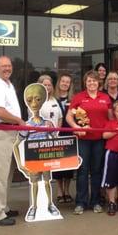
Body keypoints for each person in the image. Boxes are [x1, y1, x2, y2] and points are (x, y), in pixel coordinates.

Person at [0, 56, 26, 226]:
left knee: (6, 174)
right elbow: (0, 112)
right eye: (3, 66)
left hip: (9, 133)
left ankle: (3, 208)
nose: (7, 69)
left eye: (9, 66)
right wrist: (19, 121)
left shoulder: (7, 84)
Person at [66, 70, 112, 215]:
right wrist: (76, 127)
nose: (92, 83)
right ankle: (81, 202)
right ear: (85, 83)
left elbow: (111, 118)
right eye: (89, 81)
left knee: (97, 171)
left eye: (94, 80)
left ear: (99, 82)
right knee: (82, 171)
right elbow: (69, 117)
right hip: (83, 140)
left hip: (99, 139)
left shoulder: (105, 97)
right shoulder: (78, 97)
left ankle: (96, 201)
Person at [13, 83, 60, 221]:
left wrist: (68, 158)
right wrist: (20, 165)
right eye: (30, 100)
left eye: (38, 99)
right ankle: (33, 207)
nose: (34, 103)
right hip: (33, 160)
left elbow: (57, 144)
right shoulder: (27, 126)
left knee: (47, 182)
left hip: (45, 159)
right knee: (34, 183)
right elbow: (16, 144)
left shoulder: (48, 124)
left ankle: (50, 204)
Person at [52, 73, 75, 204]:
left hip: (70, 135)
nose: (65, 84)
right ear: (59, 82)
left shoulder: (74, 99)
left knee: (69, 165)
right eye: (63, 81)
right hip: (56, 135)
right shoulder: (52, 99)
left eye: (68, 82)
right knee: (58, 165)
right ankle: (60, 191)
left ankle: (67, 190)